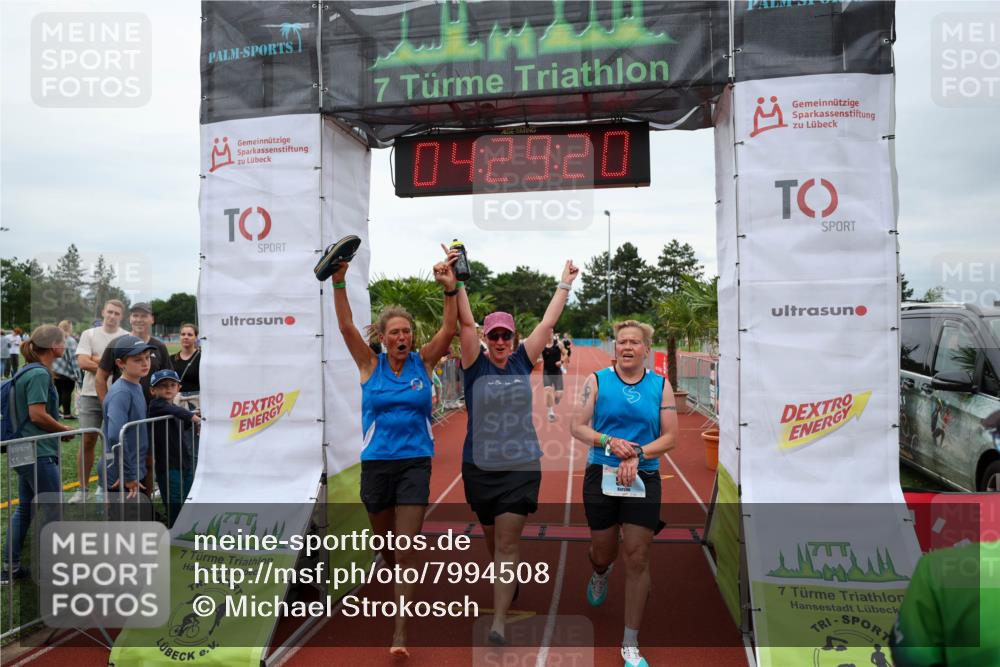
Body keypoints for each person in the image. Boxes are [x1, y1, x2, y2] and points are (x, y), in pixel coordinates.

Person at [330, 251, 459, 657]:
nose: (402, 338)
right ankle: (392, 563)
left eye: (407, 332)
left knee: (405, 548)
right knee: (386, 545)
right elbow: (346, 326)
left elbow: (449, 328)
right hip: (377, 465)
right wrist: (338, 281)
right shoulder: (369, 365)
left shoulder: (424, 362)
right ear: (384, 338)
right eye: (395, 333)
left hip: (415, 463)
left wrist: (450, 288)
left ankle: (400, 633)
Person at [455, 259, 579, 645]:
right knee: (494, 542)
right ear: (485, 338)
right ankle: (506, 579)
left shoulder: (523, 361)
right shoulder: (474, 366)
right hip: (479, 468)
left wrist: (563, 284)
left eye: (505, 336)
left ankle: (499, 621)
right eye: (494, 336)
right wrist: (459, 282)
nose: (500, 342)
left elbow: (547, 323)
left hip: (520, 466)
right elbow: (464, 324)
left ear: (514, 338)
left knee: (508, 544)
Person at [570, 319, 678, 667]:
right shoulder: (597, 381)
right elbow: (577, 426)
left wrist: (638, 454)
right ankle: (601, 571)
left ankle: (630, 642)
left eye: (634, 342)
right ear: (615, 348)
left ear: (647, 349)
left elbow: (671, 437)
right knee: (604, 551)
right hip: (601, 474)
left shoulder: (660, 385)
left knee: (637, 554)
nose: (627, 347)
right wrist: (609, 442)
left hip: (644, 476)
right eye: (621, 342)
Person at [1, 326, 75, 585]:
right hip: (37, 451)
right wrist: (63, 429)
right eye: (63, 341)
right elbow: (37, 415)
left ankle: (10, 568)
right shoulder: (39, 373)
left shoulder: (27, 370)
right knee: (54, 508)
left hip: (24, 448)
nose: (65, 346)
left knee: (26, 508)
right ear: (53, 345)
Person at [73, 299, 127, 503]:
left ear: (121, 316)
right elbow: (82, 362)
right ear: (103, 312)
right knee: (88, 440)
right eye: (109, 312)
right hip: (90, 395)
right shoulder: (89, 334)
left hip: (118, 395)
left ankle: (107, 484)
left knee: (115, 442)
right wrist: (109, 366)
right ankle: (82, 488)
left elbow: (127, 366)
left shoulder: (125, 337)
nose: (112, 316)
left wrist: (97, 359)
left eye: (116, 313)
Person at [102, 335, 155, 499]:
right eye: (137, 360)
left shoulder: (135, 385)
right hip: (122, 473)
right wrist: (128, 474)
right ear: (120, 363)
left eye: (147, 357)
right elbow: (115, 436)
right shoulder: (122, 392)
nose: (145, 363)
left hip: (132, 467)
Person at [147, 369, 200, 526]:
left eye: (172, 385)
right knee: (174, 499)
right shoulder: (156, 405)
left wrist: (193, 422)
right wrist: (194, 418)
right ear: (153, 390)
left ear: (179, 388)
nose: (168, 388)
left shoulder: (174, 408)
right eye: (163, 386)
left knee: (188, 496)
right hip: (168, 463)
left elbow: (182, 422)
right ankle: (175, 528)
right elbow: (176, 411)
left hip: (183, 460)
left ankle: (187, 526)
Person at [96, 302, 172, 403]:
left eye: (144, 316)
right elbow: (100, 378)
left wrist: (166, 405)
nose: (139, 320)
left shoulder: (159, 347)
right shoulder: (116, 344)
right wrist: (106, 405)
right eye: (135, 316)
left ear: (152, 319)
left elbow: (169, 380)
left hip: (153, 409)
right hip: (124, 407)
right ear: (130, 319)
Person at [52, 320, 81, 419]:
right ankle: (67, 413)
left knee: (59, 393)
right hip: (66, 371)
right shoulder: (70, 340)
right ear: (68, 328)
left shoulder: (55, 339)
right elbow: (74, 358)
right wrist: (78, 374)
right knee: (67, 392)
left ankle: (53, 411)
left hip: (55, 370)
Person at [541, 335, 565, 422]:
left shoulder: (558, 344)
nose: (549, 334)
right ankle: (551, 413)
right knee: (548, 391)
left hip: (557, 372)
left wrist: (561, 361)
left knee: (559, 395)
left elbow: (565, 354)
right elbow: (536, 355)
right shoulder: (542, 345)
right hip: (547, 372)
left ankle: (557, 398)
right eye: (548, 333)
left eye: (551, 332)